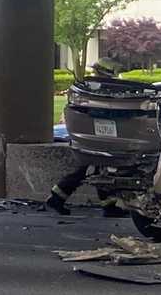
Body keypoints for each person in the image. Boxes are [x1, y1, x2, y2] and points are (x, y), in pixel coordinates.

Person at [45, 58, 127, 217]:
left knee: (98, 168)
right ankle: (57, 197)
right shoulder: (100, 88)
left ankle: (107, 206)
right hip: (97, 134)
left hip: (92, 134)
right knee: (95, 168)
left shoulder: (90, 86)